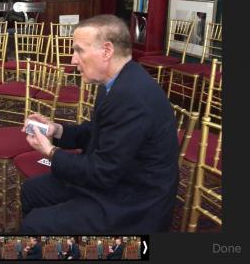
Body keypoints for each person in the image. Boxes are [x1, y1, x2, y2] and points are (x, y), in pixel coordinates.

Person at [20, 14, 179, 234]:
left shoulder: (130, 96)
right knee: (31, 190)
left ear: (106, 51)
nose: (73, 59)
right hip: (116, 179)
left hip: (133, 200)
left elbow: (102, 173)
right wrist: (57, 130)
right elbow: (97, 130)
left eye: (79, 50)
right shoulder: (117, 81)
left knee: (35, 223)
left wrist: (51, 151)